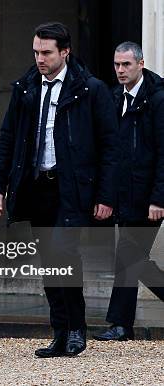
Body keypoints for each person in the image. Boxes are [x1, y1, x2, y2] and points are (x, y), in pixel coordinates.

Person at [0, 22, 118, 357]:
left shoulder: (90, 89)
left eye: (46, 52)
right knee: (50, 262)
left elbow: (110, 147)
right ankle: (61, 332)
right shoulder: (27, 87)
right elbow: (8, 139)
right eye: (36, 52)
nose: (40, 58)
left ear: (65, 52)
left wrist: (105, 196)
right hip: (36, 187)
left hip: (72, 188)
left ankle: (76, 328)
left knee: (64, 254)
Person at [94, 41, 164, 341]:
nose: (120, 70)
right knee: (132, 257)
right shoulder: (114, 97)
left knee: (128, 254)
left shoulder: (158, 99)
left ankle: (120, 324)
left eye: (126, 65)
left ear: (141, 64)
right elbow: (112, 150)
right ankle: (120, 324)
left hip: (149, 197)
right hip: (126, 195)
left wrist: (159, 198)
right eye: (117, 65)